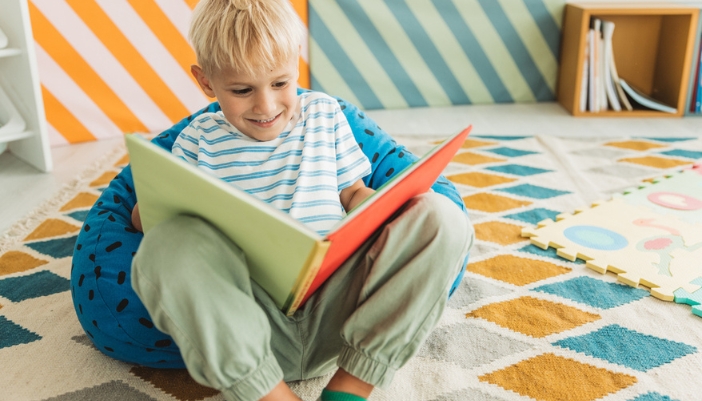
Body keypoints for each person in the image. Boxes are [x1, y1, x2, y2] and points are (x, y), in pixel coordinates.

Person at [128, 1, 474, 400]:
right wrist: (153, 207)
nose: (266, 106)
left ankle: (350, 387)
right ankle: (270, 394)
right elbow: (149, 222)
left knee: (442, 217)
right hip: (244, 319)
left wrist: (386, 210)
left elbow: (354, 193)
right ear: (206, 83)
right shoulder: (197, 139)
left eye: (280, 83)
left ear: (296, 65)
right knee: (165, 244)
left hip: (341, 308)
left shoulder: (325, 115)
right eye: (242, 90)